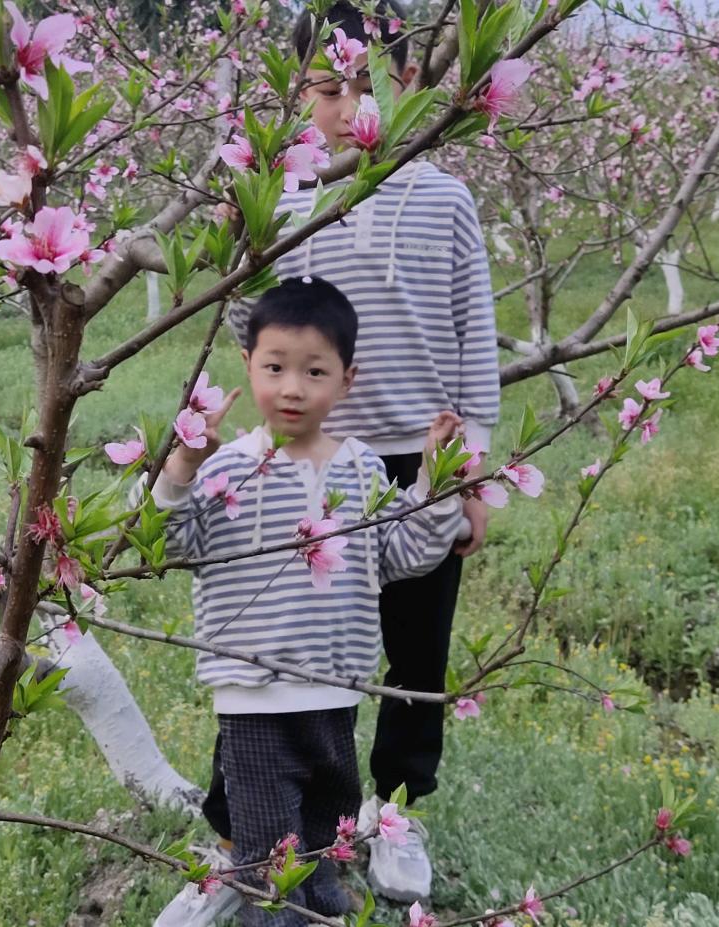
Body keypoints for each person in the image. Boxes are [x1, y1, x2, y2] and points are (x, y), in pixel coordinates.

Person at [205, 0, 500, 907]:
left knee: (416, 650)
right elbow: (237, 313)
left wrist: (470, 470)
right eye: (327, 89)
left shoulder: (444, 196)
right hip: (305, 458)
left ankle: (397, 804)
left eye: (368, 87)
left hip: (414, 462)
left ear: (410, 86)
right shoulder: (284, 195)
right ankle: (237, 817)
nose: (345, 110)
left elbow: (475, 338)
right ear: (297, 93)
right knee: (277, 642)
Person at [151, 277, 463, 927]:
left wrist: (434, 484)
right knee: (271, 858)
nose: (291, 387)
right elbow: (170, 543)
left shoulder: (363, 468)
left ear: (346, 379)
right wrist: (181, 465)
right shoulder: (226, 467)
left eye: (313, 370)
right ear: (247, 366)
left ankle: (322, 913)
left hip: (333, 690)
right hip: (253, 691)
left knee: (325, 836)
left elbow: (402, 555)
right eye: (274, 367)